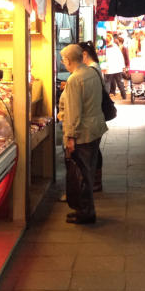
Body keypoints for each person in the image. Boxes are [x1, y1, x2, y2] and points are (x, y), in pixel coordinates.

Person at [57, 44, 107, 224]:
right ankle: (85, 209)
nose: (63, 62)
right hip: (95, 128)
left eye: (63, 59)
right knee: (87, 171)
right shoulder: (92, 73)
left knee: (82, 174)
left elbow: (73, 112)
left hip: (83, 133)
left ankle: (85, 212)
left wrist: (71, 137)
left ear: (69, 60)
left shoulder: (75, 79)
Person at [79, 41, 105, 192]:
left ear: (84, 54)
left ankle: (93, 182)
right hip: (96, 115)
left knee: (92, 151)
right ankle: (95, 182)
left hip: (92, 116)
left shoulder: (91, 69)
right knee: (95, 150)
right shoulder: (94, 67)